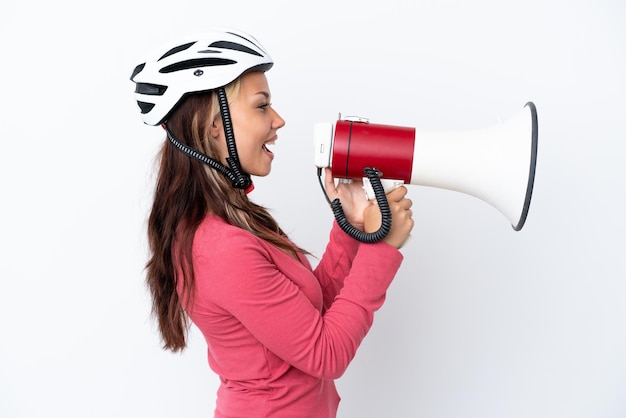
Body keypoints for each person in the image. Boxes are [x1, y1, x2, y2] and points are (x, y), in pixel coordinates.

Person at [130, 27, 414, 418]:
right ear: (215, 126)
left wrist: (349, 230)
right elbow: (326, 354)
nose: (278, 120)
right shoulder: (220, 248)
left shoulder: (233, 225)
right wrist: (381, 249)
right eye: (262, 106)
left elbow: (310, 316)